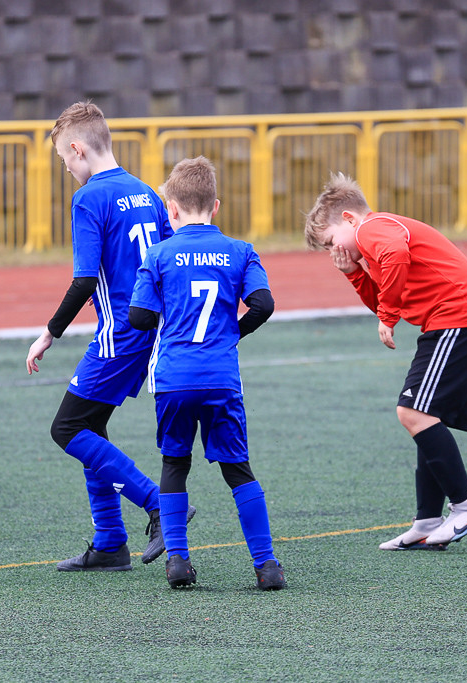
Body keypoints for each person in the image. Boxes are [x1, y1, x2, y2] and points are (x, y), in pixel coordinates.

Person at [25, 101, 193, 571]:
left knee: (67, 428)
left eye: (64, 160)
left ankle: (159, 503)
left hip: (118, 334)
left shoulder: (88, 198)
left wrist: (49, 333)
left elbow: (84, 279)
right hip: (150, 329)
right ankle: (110, 542)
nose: (67, 170)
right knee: (90, 429)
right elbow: (168, 262)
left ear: (77, 149)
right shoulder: (146, 192)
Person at [304, 172, 467, 551]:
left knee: (412, 412)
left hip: (462, 317)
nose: (334, 250)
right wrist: (354, 275)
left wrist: (388, 315)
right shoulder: (369, 246)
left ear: (349, 219)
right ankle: (428, 521)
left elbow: (394, 262)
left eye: (331, 241)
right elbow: (381, 295)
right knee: (424, 415)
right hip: (459, 319)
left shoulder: (373, 228)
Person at [129, 156, 285, 590]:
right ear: (216, 206)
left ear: (171, 209)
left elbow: (140, 317)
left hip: (174, 379)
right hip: (220, 376)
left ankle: (177, 560)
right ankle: (267, 565)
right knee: (238, 469)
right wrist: (232, 332)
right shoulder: (241, 251)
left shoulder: (158, 254)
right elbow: (264, 305)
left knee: (175, 463)